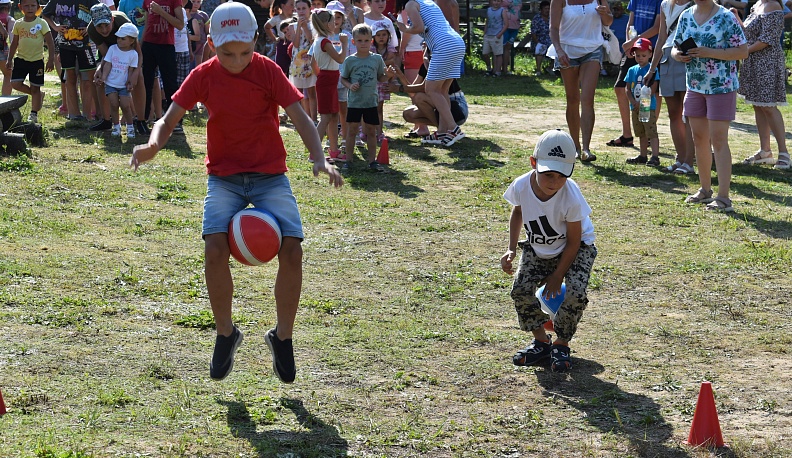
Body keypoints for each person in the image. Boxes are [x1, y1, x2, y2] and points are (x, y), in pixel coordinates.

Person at [130, 2, 344, 383]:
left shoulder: (268, 70)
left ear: (255, 41)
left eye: (245, 52)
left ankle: (283, 337)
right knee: (214, 249)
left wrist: (319, 158)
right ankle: (225, 333)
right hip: (224, 178)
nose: (237, 61)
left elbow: (301, 118)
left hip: (270, 175)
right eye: (228, 54)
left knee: (293, 249)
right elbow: (168, 118)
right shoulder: (203, 75)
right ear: (212, 44)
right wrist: (153, 144)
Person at [500, 129, 597, 373]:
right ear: (533, 163)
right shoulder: (521, 185)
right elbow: (518, 212)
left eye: (562, 176)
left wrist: (557, 276)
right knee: (520, 291)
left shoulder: (571, 196)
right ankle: (542, 342)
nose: (554, 182)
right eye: (548, 174)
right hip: (539, 245)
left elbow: (574, 241)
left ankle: (561, 344)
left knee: (575, 293)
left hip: (577, 247)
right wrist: (511, 248)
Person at [672, 0, 747, 212]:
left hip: (721, 86)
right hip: (695, 86)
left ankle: (724, 198)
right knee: (699, 138)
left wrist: (709, 52)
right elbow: (674, 48)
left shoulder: (726, 16)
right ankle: (705, 190)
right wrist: (679, 55)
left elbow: (743, 51)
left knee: (718, 140)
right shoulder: (686, 15)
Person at [393, 0, 466, 146]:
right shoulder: (429, 2)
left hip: (444, 45)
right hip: (457, 43)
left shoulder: (411, 4)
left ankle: (453, 128)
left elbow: (419, 27)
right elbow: (429, 27)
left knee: (431, 90)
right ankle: (442, 131)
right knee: (442, 90)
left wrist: (404, 28)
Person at [548, 0, 613, 161]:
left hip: (593, 49)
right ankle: (575, 147)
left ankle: (586, 149)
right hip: (566, 50)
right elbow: (553, 28)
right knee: (572, 99)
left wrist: (604, 14)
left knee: (587, 99)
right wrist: (558, 50)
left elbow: (608, 21)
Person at [735, 0, 790, 170]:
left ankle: (784, 154)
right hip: (753, 62)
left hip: (767, 62)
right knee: (758, 106)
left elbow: (767, 39)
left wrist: (743, 52)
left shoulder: (773, 6)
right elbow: (748, 32)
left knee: (769, 107)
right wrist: (736, 17)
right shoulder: (757, 4)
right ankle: (765, 151)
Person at [644, 0, 695, 175]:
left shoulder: (696, 3)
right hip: (667, 58)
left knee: (688, 114)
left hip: (687, 55)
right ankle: (680, 158)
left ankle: (689, 161)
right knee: (673, 113)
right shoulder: (665, 4)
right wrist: (652, 69)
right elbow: (661, 37)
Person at [88, 4, 150, 134]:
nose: (104, 30)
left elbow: (138, 53)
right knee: (100, 77)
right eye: (99, 26)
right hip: (111, 53)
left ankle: (141, 120)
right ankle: (106, 120)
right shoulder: (92, 30)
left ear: (112, 19)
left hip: (129, 52)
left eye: (106, 25)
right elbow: (106, 55)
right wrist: (100, 68)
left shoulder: (122, 23)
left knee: (139, 77)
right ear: (94, 24)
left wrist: (135, 73)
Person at [606, 0, 660, 149]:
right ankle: (627, 135)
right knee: (620, 87)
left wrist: (634, 42)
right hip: (634, 48)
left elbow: (657, 27)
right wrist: (629, 44)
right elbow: (630, 24)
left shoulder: (660, 1)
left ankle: (649, 133)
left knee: (653, 91)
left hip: (651, 49)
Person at [340, 23, 393, 172]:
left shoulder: (376, 59)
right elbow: (343, 78)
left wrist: (388, 75)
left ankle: (372, 161)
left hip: (371, 102)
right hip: (354, 102)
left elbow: (381, 78)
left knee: (371, 131)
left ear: (371, 41)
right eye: (359, 40)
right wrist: (350, 85)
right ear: (353, 42)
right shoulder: (350, 60)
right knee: (351, 131)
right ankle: (348, 160)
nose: (363, 43)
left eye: (366, 40)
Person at [42, 0, 100, 122]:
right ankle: (74, 115)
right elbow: (45, 13)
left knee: (87, 81)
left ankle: (87, 115)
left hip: (85, 45)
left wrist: (90, 27)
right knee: (70, 78)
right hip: (65, 45)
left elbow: (100, 12)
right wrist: (55, 26)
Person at [7, 0, 55, 123]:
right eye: (26, 6)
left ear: (38, 7)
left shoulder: (42, 23)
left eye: (33, 6)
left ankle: (33, 114)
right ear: (20, 7)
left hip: (37, 61)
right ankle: (38, 95)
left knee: (35, 87)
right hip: (21, 59)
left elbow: (50, 43)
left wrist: (51, 60)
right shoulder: (18, 23)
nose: (30, 8)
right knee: (15, 84)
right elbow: (14, 43)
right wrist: (9, 59)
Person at [140, 0, 184, 133]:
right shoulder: (147, 1)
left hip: (166, 45)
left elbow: (180, 24)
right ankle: (142, 119)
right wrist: (141, 46)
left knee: (170, 84)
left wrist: (161, 12)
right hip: (148, 44)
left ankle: (174, 121)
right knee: (145, 82)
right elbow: (147, 23)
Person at [310, 7, 347, 160]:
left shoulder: (318, 40)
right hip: (327, 80)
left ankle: (334, 151)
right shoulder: (324, 42)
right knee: (325, 117)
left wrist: (321, 76)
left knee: (333, 116)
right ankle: (314, 153)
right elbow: (340, 59)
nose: (335, 24)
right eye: (333, 21)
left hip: (328, 79)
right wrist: (344, 44)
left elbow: (313, 63)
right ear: (326, 24)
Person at [391, 61, 468, 134]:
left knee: (420, 98)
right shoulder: (425, 66)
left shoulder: (440, 63)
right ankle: (442, 130)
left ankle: (444, 130)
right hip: (444, 108)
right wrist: (401, 76)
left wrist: (399, 88)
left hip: (458, 108)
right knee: (408, 113)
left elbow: (423, 87)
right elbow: (413, 93)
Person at [623, 38, 660, 165]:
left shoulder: (652, 69)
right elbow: (627, 88)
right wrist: (633, 102)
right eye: (637, 55)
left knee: (651, 131)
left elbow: (653, 88)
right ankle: (642, 155)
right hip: (635, 107)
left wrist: (643, 102)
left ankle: (655, 156)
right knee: (640, 132)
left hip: (647, 106)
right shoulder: (631, 70)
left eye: (643, 55)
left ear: (650, 54)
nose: (640, 58)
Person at [99, 22, 139, 137]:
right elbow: (108, 64)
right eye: (118, 38)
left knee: (126, 106)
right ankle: (116, 127)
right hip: (111, 83)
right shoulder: (113, 49)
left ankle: (130, 127)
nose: (119, 40)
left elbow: (131, 70)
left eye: (123, 39)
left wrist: (130, 82)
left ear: (131, 41)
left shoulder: (133, 54)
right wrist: (103, 77)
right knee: (114, 104)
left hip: (124, 85)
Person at [290, 0, 317, 122]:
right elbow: (295, 44)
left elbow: (312, 41)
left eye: (304, 8)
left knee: (311, 92)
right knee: (298, 93)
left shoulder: (314, 25)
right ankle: (301, 120)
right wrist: (299, 27)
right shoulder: (292, 26)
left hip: (310, 62)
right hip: (297, 63)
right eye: (299, 9)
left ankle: (314, 119)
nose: (301, 11)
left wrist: (305, 27)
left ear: (310, 9)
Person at [370, 21, 396, 142]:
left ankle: (379, 132)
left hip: (383, 81)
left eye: (384, 34)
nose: (381, 37)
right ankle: (367, 131)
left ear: (388, 36)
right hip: (371, 81)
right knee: (369, 107)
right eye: (378, 35)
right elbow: (384, 63)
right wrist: (385, 63)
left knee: (379, 108)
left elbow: (392, 61)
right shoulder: (371, 48)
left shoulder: (390, 48)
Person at [482, 0, 507, 77]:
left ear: (501, 2)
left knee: (498, 54)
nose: (496, 3)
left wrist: (499, 34)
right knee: (485, 53)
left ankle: (498, 71)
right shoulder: (489, 10)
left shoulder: (502, 10)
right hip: (488, 35)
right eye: (495, 1)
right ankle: (489, 68)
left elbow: (506, 24)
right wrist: (484, 33)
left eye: (498, 1)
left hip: (497, 35)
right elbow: (487, 22)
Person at [0, 0, 16, 96]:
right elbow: (12, 39)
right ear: (8, 7)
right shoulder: (9, 19)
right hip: (2, 50)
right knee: (8, 75)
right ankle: (5, 100)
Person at [500, 0, 521, 75]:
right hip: (504, 26)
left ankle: (505, 69)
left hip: (515, 26)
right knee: (501, 47)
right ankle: (498, 68)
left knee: (508, 47)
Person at [531, 1, 551, 76]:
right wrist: (538, 43)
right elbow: (533, 32)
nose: (547, 10)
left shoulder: (552, 17)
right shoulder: (537, 18)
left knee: (557, 48)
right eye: (545, 8)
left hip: (550, 39)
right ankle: (538, 70)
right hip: (539, 40)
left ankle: (550, 68)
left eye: (549, 8)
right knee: (540, 48)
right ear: (541, 9)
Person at [188, 0, 209, 67]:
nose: (196, 4)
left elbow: (207, 31)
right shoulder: (185, 15)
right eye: (193, 1)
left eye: (198, 2)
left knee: (199, 65)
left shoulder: (203, 15)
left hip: (201, 44)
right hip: (189, 45)